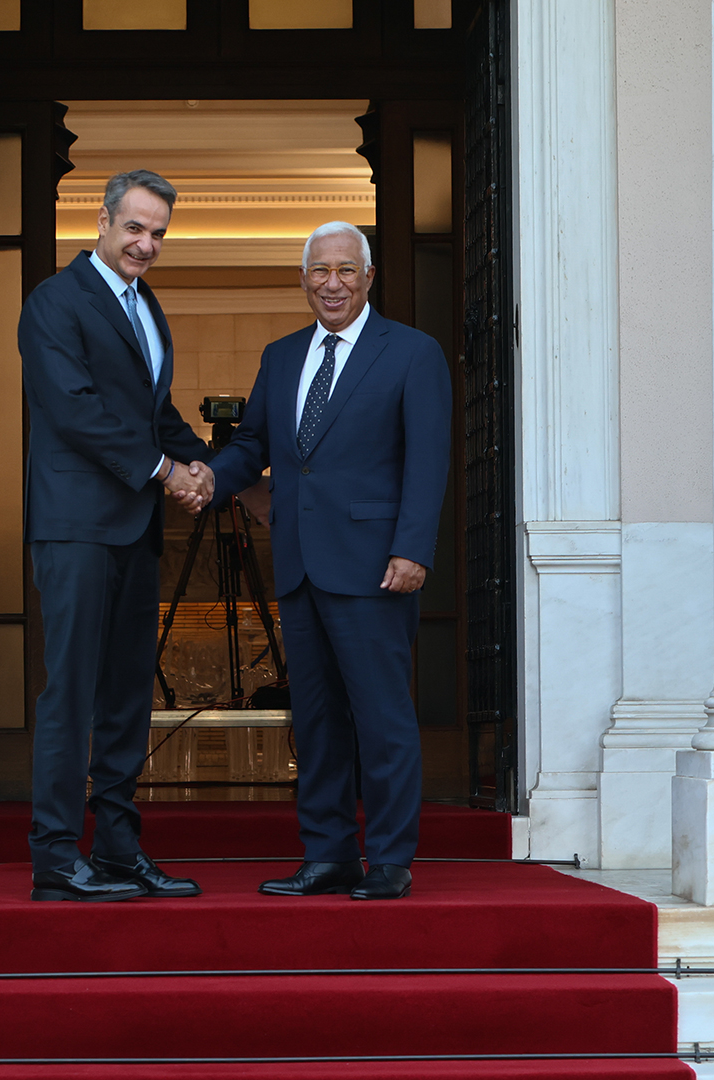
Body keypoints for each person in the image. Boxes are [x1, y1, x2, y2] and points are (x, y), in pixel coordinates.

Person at [200, 221, 451, 900]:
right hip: (300, 564)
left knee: (381, 719)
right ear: (303, 279)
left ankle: (390, 859)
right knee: (314, 720)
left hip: (376, 566)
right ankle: (329, 854)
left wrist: (412, 549)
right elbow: (252, 445)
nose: (332, 284)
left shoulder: (412, 352)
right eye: (320, 271)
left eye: (345, 270)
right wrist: (208, 479)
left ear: (368, 278)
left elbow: (428, 459)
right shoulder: (282, 356)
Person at [19, 170, 214, 902]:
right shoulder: (55, 301)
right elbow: (75, 410)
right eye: (134, 228)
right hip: (75, 527)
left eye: (158, 233)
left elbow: (153, 416)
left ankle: (118, 851)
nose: (146, 244)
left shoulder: (145, 305)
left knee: (128, 696)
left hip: (133, 528)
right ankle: (55, 855)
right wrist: (167, 471)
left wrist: (212, 471)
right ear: (101, 222)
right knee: (71, 693)